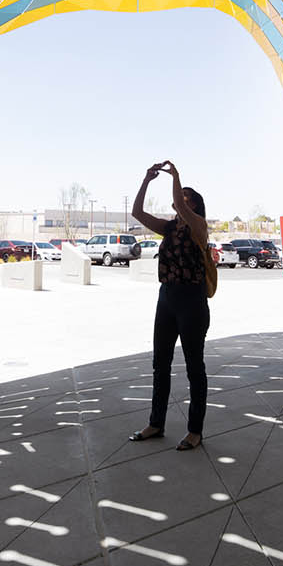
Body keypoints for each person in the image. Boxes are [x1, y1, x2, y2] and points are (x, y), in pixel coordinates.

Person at [129, 159, 210, 451]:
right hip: (167, 299)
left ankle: (195, 431)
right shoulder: (168, 228)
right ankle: (156, 423)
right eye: (181, 194)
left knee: (194, 367)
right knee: (159, 365)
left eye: (187, 197)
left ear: (195, 206)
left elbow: (181, 204)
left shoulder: (199, 227)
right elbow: (137, 212)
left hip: (192, 301)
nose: (180, 199)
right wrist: (147, 180)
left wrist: (176, 175)